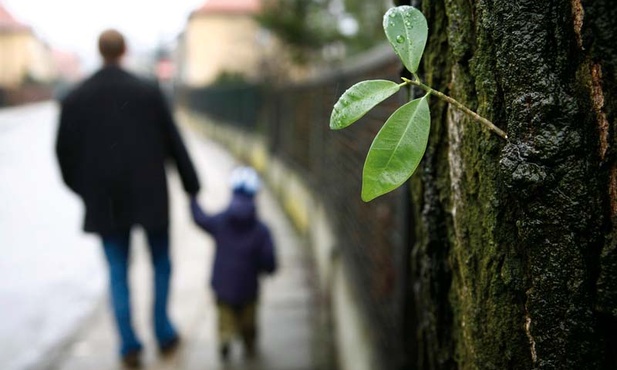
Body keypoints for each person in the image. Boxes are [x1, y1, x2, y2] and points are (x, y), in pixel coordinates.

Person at [55, 29, 200, 367]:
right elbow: (174, 141)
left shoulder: (76, 98)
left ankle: (129, 345)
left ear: (99, 51)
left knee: (117, 271)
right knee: (160, 263)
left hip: (104, 200)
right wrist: (191, 186)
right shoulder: (148, 92)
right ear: (124, 51)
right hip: (150, 195)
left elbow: (63, 154)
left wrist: (83, 188)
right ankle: (163, 332)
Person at [190, 166, 277, 360]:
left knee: (225, 319)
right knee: (249, 322)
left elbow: (201, 219)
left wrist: (192, 198)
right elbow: (269, 260)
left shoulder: (221, 221)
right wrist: (267, 268)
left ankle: (225, 339)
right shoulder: (261, 230)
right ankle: (249, 344)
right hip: (249, 288)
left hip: (223, 286)